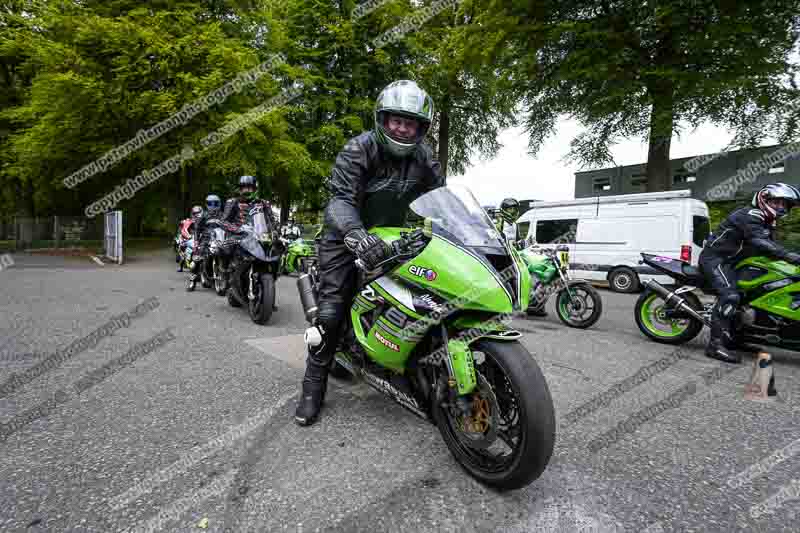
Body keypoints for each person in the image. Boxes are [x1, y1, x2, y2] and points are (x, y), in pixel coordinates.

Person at [294, 79, 445, 427]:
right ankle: (313, 386)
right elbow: (340, 200)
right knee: (332, 310)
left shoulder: (424, 157)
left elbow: (440, 200)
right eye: (396, 120)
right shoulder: (358, 149)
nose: (403, 128)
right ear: (383, 119)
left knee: (424, 294)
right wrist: (356, 235)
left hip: (393, 237)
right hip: (346, 235)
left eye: (410, 123)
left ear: (421, 128)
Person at [700, 182, 800, 363]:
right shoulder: (749, 215)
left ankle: (735, 339)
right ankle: (714, 346)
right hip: (717, 259)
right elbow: (760, 241)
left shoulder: (768, 221)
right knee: (730, 296)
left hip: (736, 262)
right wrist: (791, 256)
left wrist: (788, 261)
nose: (781, 207)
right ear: (764, 198)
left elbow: (769, 248)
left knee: (752, 295)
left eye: (785, 205)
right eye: (778, 202)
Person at [188, 195, 222, 286]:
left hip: (220, 239)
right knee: (197, 258)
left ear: (219, 204)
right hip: (206, 240)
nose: (213, 206)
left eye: (215, 203)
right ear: (207, 204)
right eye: (211, 203)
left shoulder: (223, 215)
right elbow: (197, 229)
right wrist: (196, 241)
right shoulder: (203, 215)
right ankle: (193, 280)